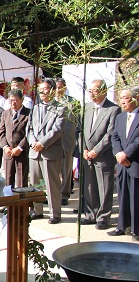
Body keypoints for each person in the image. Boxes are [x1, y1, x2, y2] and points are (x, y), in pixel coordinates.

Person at [79, 80, 120, 230]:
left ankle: (103, 217)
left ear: (103, 91)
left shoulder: (113, 109)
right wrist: (84, 149)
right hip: (87, 154)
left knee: (104, 187)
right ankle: (90, 214)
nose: (91, 93)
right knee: (89, 187)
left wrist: (96, 151)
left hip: (103, 155)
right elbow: (81, 130)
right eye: (89, 90)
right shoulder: (87, 107)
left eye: (95, 90)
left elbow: (110, 134)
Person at [27, 78, 66, 224]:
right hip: (34, 151)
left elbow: (57, 130)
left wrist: (42, 143)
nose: (43, 92)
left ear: (53, 90)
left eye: (46, 89)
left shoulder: (61, 108)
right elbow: (29, 128)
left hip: (50, 151)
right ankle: (37, 210)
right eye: (41, 89)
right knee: (36, 184)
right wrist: (33, 142)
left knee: (51, 184)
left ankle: (55, 213)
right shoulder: (35, 108)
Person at [109, 86, 139, 240]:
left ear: (136, 98)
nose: (122, 101)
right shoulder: (120, 117)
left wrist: (126, 153)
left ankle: (136, 229)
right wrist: (118, 154)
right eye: (120, 98)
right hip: (121, 163)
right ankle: (122, 226)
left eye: (126, 98)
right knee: (122, 196)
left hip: (135, 162)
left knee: (135, 197)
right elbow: (114, 137)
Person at [0, 89, 31, 188]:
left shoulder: (28, 113)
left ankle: (21, 203)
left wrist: (20, 148)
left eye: (16, 100)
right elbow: (1, 132)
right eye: (11, 100)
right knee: (8, 181)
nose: (13, 103)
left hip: (21, 152)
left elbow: (29, 133)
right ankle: (9, 202)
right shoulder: (5, 113)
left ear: (21, 100)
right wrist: (5, 147)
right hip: (8, 152)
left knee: (21, 182)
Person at [55, 77, 78, 206]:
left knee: (66, 169)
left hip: (66, 140)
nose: (58, 90)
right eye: (56, 87)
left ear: (65, 88)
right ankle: (52, 193)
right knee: (52, 170)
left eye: (60, 87)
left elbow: (77, 122)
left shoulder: (72, 103)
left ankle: (64, 194)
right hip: (52, 142)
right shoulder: (51, 102)